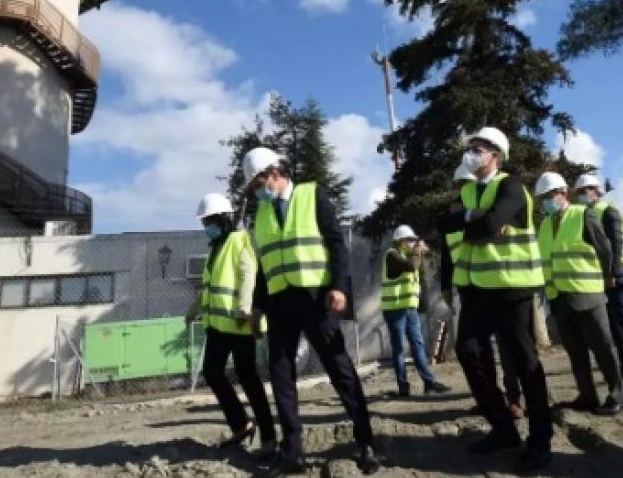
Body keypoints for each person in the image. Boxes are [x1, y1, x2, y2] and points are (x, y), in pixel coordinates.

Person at [242, 147, 381, 476]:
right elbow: (265, 265)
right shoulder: (260, 215)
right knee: (280, 376)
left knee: (340, 369)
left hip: (316, 298)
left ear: (274, 173)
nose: (255, 192)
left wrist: (339, 287)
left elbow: (336, 244)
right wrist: (258, 308)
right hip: (279, 302)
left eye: (257, 183)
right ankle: (294, 452)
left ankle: (366, 441)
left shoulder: (311, 195)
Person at [451, 127, 552, 473]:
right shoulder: (468, 191)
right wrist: (473, 219)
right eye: (470, 148)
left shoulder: (511, 186)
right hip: (477, 291)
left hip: (512, 289)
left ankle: (540, 440)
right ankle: (504, 430)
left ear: (496, 154)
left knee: (525, 363)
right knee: (468, 353)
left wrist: (473, 222)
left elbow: (493, 222)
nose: (472, 153)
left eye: (478, 148)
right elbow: (444, 223)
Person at [186, 192, 277, 458]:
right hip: (217, 326)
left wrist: (244, 309)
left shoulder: (239, 239)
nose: (206, 227)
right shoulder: (214, 249)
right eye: (204, 222)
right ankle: (241, 424)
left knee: (248, 377)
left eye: (210, 220)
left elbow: (248, 275)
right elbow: (210, 288)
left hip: (238, 324)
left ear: (224, 219)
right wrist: (194, 310)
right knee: (212, 372)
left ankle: (269, 438)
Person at [535, 172, 623, 416]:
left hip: (588, 294)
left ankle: (619, 394)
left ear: (563, 193)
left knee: (603, 347)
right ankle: (587, 395)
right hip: (560, 298)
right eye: (542, 197)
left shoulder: (583, 214)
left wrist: (608, 276)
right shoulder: (545, 225)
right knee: (575, 351)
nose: (546, 201)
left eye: (550, 195)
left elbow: (605, 249)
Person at [439, 164, 525, 418]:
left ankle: (515, 398)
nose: (460, 193)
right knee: (479, 350)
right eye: (459, 188)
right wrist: (446, 286)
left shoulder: (489, 205)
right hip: (470, 286)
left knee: (509, 347)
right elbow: (447, 253)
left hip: (499, 283)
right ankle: (489, 400)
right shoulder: (457, 213)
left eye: (464, 185)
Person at [574, 173, 623, 384]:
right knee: (614, 327)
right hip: (598, 278)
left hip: (614, 276)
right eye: (579, 192)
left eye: (586, 190)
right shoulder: (586, 214)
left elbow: (615, 245)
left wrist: (612, 274)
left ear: (597, 191)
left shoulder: (608, 212)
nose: (582, 195)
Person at [382, 224, 452, 396]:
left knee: (418, 345)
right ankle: (403, 387)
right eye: (410, 240)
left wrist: (420, 253)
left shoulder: (407, 256)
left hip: (410, 309)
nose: (413, 243)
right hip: (395, 309)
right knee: (399, 347)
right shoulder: (392, 255)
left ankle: (429, 383)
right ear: (400, 241)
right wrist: (418, 251)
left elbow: (419, 271)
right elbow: (411, 266)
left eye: (414, 240)